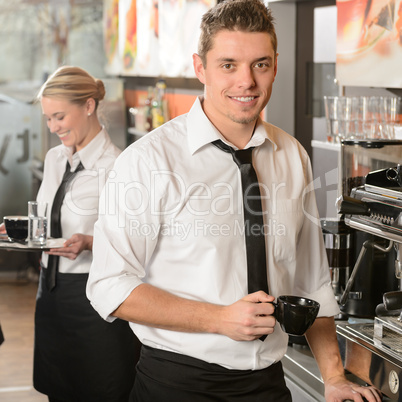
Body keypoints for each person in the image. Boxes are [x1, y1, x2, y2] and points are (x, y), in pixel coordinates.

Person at [87, 1, 382, 401]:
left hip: (267, 386)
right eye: (228, 65)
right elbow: (109, 285)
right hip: (176, 385)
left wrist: (333, 377)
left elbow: (311, 282)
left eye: (260, 64)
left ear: (275, 66)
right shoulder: (148, 160)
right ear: (200, 67)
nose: (246, 81)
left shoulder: (291, 154)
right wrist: (217, 319)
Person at [33, 66, 137, 402]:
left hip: (95, 304)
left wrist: (91, 242)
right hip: (50, 295)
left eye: (59, 116)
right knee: (57, 391)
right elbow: (54, 217)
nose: (53, 127)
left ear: (89, 106)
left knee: (102, 391)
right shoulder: (54, 159)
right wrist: (24, 229)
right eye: (48, 119)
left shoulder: (119, 167)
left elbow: (136, 242)